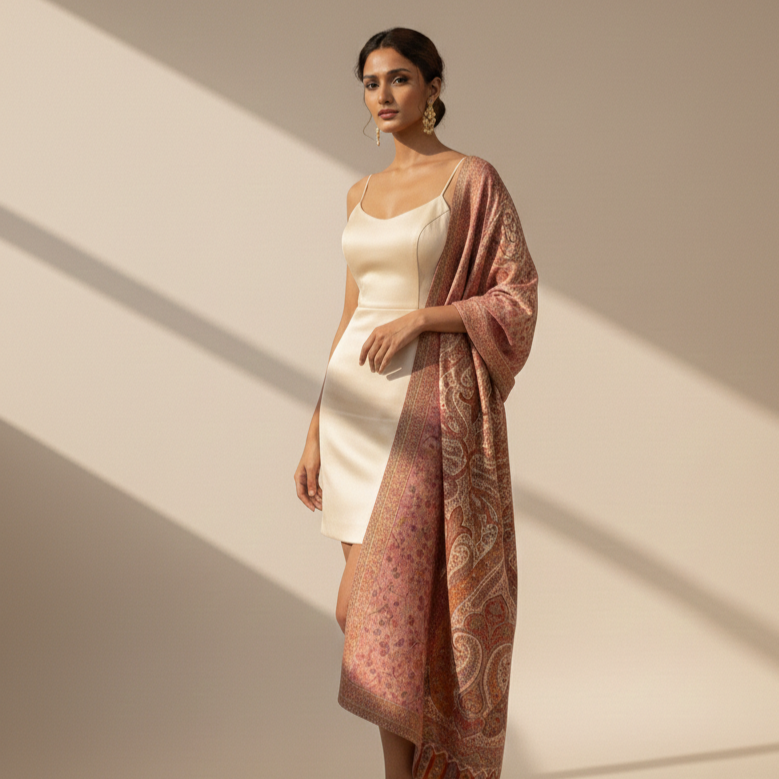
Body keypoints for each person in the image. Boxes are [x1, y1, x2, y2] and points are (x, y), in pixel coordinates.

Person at [294, 27, 539, 779]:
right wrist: (312, 429)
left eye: (399, 79)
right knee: (375, 615)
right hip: (351, 412)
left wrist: (425, 319)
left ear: (433, 86)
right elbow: (349, 311)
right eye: (370, 83)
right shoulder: (357, 192)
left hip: (423, 411)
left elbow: (514, 292)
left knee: (374, 610)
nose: (383, 96)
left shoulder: (471, 180)